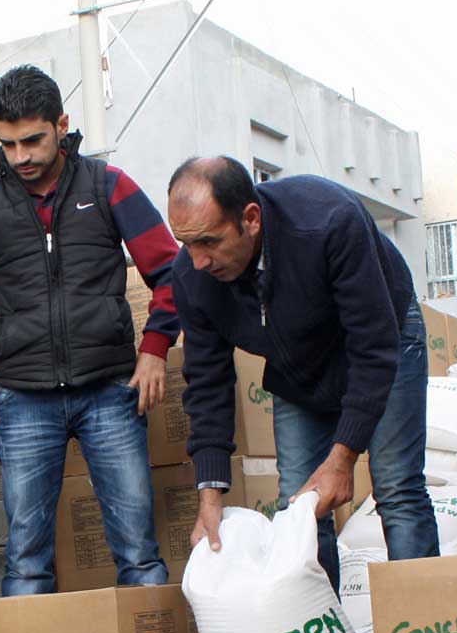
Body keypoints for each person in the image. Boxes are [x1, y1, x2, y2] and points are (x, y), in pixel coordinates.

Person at [0, 65, 181, 595]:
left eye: (32, 140)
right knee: (26, 562)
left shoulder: (109, 187)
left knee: (139, 555)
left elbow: (173, 275)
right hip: (22, 398)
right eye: (7, 145)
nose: (21, 157)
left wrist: (154, 349)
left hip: (109, 390)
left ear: (62, 125)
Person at [167, 156, 438, 588]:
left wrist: (343, 456)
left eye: (209, 242)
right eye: (186, 243)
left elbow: (372, 349)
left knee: (397, 490)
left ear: (250, 219)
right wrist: (210, 494)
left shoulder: (328, 222)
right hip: (296, 359)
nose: (198, 261)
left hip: (381, 333)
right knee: (300, 509)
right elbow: (207, 382)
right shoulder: (192, 277)